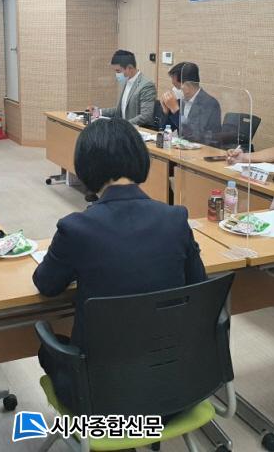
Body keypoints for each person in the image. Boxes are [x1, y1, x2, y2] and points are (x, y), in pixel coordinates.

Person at [32, 118, 207, 408]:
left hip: (102, 398)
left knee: (49, 348)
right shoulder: (175, 219)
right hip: (176, 387)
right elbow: (198, 285)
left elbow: (46, 284)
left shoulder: (76, 228)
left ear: (85, 167)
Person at [157, 61, 222, 144]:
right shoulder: (181, 101)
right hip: (182, 148)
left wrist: (176, 110)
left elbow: (194, 135)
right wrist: (165, 111)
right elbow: (165, 130)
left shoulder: (209, 104)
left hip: (203, 148)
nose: (173, 90)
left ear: (187, 86)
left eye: (176, 87)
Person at [89, 50, 156, 126]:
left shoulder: (146, 85)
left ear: (129, 67)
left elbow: (146, 116)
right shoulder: (127, 81)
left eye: (118, 71)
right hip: (124, 129)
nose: (116, 74)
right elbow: (121, 109)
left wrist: (123, 125)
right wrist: (98, 112)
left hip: (136, 130)